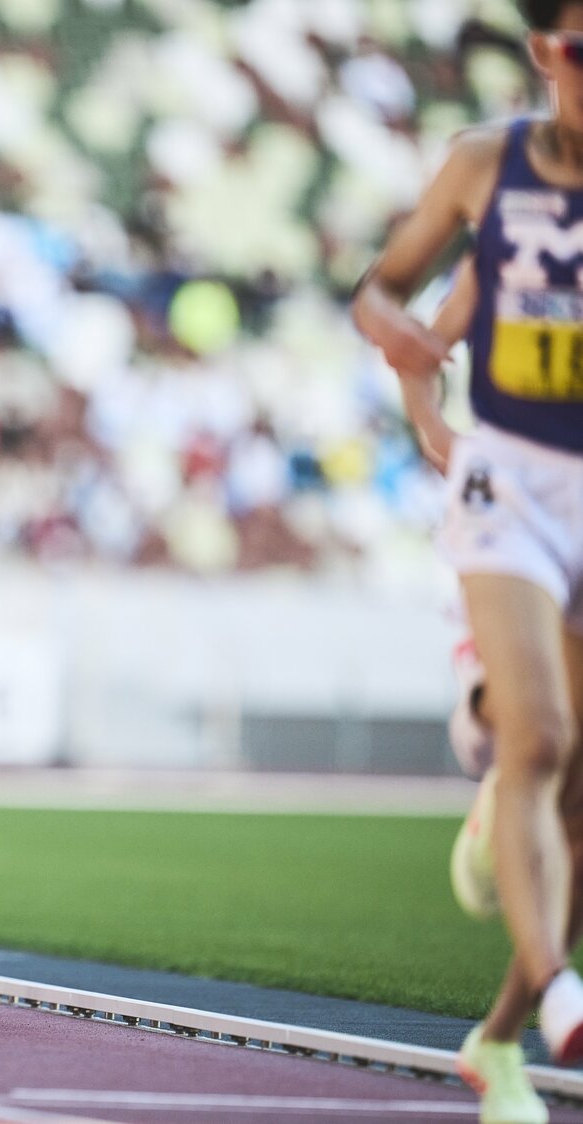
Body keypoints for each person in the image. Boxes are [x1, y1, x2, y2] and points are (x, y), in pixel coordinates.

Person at [354, 5, 583, 1118]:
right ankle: (557, 986)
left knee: (574, 781)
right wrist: (419, 390)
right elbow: (396, 301)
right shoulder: (488, 168)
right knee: (541, 735)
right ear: (548, 54)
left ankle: (497, 1039)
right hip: (511, 482)